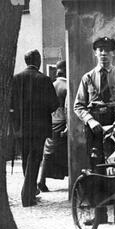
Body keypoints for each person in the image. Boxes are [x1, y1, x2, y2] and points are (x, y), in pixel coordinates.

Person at [74, 37, 115, 227]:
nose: (103, 54)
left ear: (113, 54)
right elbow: (79, 105)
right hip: (95, 127)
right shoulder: (88, 78)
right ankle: (100, 215)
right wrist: (91, 121)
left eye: (107, 51)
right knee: (96, 169)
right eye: (100, 50)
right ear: (95, 53)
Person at [10, 49, 59, 207]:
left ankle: (30, 192)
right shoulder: (44, 79)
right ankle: (27, 194)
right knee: (35, 159)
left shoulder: (16, 79)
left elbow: (10, 104)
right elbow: (54, 105)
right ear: (38, 61)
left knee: (26, 159)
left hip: (21, 128)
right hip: (39, 128)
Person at [37, 60, 69, 193]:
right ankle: (41, 180)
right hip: (62, 122)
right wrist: (68, 125)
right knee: (66, 151)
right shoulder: (67, 86)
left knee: (47, 152)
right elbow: (67, 109)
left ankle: (41, 179)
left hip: (50, 121)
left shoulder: (51, 85)